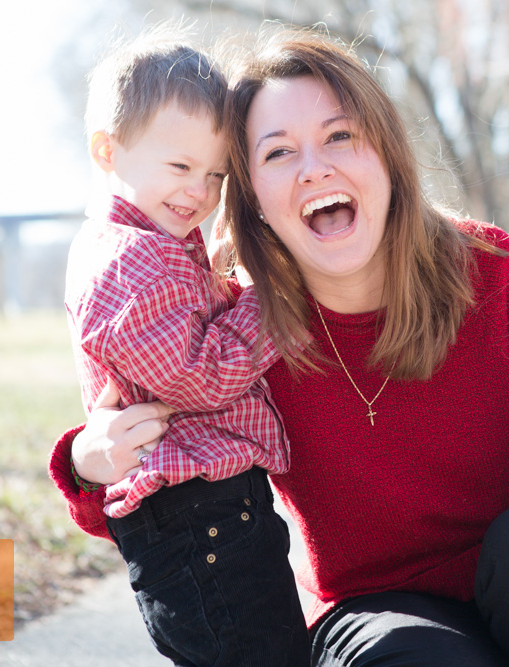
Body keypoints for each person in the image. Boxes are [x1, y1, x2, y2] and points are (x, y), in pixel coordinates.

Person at [51, 28, 509, 667]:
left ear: (386, 157)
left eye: (339, 138)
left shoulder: (488, 269)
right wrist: (87, 463)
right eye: (277, 153)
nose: (313, 168)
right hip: (375, 616)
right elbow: (169, 487)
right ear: (252, 195)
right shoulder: (238, 334)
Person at [62, 27, 309, 666]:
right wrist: (269, 303)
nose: (199, 192)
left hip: (209, 512)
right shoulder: (128, 265)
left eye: (215, 175)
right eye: (179, 167)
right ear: (107, 151)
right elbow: (198, 376)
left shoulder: (158, 247)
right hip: (196, 516)